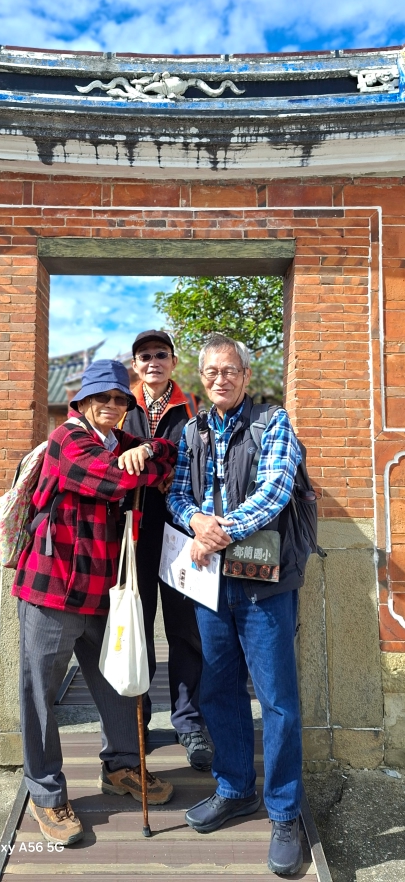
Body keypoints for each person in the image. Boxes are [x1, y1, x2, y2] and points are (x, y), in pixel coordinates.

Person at [12, 360, 177, 847]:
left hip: (106, 590)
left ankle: (122, 766)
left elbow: (170, 454)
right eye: (101, 397)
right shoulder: (68, 439)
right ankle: (46, 792)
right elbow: (112, 480)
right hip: (52, 588)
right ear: (82, 401)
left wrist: (148, 449)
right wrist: (142, 466)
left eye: (119, 399)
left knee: (119, 681)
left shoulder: (122, 442)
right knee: (40, 694)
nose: (111, 405)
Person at [168, 334, 304, 877]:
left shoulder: (273, 422)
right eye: (212, 372)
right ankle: (234, 789)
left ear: (246, 376)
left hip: (263, 581)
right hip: (211, 582)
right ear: (201, 379)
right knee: (218, 688)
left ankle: (285, 813)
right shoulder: (192, 430)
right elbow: (177, 493)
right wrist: (195, 522)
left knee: (277, 699)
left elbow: (275, 490)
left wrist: (216, 532)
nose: (220, 379)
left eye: (230, 371)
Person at [119, 330, 213, 771]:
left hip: (180, 533)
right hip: (134, 532)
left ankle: (189, 721)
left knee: (185, 629)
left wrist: (161, 464)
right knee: (135, 626)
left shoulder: (193, 408)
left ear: (174, 362)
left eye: (160, 354)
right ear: (135, 365)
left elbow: (203, 466)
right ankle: (136, 719)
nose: (152, 361)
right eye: (144, 356)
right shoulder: (120, 407)